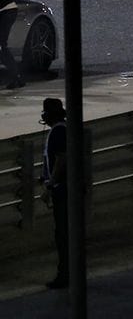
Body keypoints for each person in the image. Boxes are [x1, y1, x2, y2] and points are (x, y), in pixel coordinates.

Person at [39, 98, 69, 289]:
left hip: (62, 190)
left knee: (63, 234)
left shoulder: (58, 131)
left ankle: (65, 274)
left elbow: (61, 159)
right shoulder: (63, 129)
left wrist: (50, 185)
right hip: (64, 188)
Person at [0, 0, 26, 89]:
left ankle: (16, 78)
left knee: (1, 46)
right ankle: (17, 77)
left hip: (6, 11)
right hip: (6, 10)